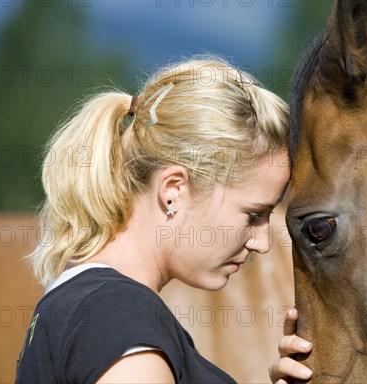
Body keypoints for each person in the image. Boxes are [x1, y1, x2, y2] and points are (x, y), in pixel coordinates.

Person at [15, 57, 313, 383]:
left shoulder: (94, 307)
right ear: (173, 191)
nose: (263, 242)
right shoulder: (120, 319)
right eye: (254, 215)